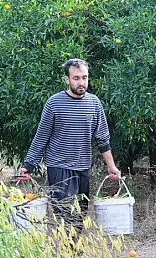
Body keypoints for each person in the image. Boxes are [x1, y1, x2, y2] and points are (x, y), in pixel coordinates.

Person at [21, 58, 121, 231]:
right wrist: (29, 165)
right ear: (67, 79)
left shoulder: (94, 103)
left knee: (81, 214)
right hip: (59, 167)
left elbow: (103, 139)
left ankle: (72, 253)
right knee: (66, 214)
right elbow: (41, 136)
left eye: (85, 77)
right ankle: (71, 255)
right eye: (76, 78)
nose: (81, 82)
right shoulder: (54, 103)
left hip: (82, 167)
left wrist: (111, 166)